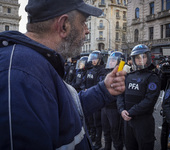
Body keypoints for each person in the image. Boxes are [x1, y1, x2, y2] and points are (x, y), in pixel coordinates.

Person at [0, 0, 126, 150]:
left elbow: (64, 112)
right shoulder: (20, 75)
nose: (87, 30)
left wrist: (103, 90)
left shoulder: (37, 62)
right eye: (83, 23)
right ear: (64, 25)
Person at [117, 44, 161, 150]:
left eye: (143, 57)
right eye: (137, 57)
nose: (140, 60)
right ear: (133, 59)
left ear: (148, 58)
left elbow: (149, 100)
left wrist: (131, 112)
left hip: (143, 122)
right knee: (129, 146)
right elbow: (120, 95)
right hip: (128, 121)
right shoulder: (129, 76)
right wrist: (121, 110)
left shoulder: (152, 77)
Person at [101, 51, 124, 150]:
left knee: (116, 132)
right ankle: (107, 147)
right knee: (106, 130)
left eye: (113, 61)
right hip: (104, 107)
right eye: (110, 61)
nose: (110, 63)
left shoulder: (122, 75)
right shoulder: (107, 73)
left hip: (114, 108)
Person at [84, 50, 106, 150]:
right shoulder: (90, 69)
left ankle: (98, 142)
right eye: (92, 59)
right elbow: (86, 81)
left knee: (97, 122)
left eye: (95, 59)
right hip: (89, 97)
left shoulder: (102, 70)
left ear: (100, 59)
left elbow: (99, 84)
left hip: (96, 98)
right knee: (90, 120)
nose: (93, 61)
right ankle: (92, 137)